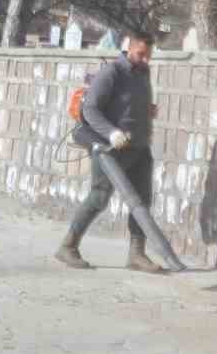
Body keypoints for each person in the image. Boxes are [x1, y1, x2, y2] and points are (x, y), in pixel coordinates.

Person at [55, 30, 162, 273]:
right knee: (99, 196)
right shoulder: (112, 72)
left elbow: (128, 104)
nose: (146, 59)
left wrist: (147, 110)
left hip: (139, 147)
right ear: (129, 48)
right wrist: (112, 132)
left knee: (142, 201)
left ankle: (137, 255)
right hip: (110, 149)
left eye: (149, 55)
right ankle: (68, 246)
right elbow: (91, 110)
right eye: (141, 54)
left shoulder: (143, 72)